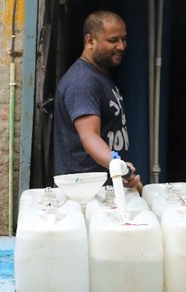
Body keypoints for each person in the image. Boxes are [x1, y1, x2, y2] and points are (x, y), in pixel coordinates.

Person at [54, 10, 142, 190]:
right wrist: (119, 168)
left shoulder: (99, 75)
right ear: (90, 42)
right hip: (87, 193)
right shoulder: (82, 82)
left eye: (123, 39)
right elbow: (90, 135)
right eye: (113, 40)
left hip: (105, 191)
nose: (121, 46)